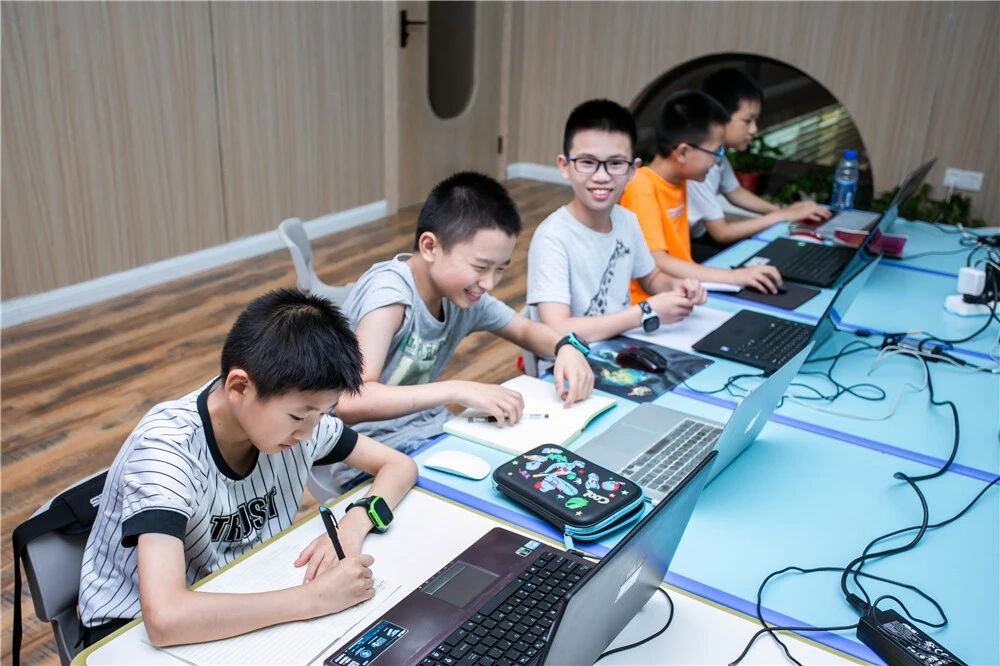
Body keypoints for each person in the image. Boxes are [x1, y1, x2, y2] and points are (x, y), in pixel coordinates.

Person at [78, 289, 418, 647]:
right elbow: (165, 619)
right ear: (239, 386)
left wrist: (352, 527)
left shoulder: (299, 420)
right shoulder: (167, 450)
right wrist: (315, 599)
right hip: (128, 631)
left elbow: (398, 466)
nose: (308, 434)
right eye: (299, 416)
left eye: (322, 414)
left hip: (239, 586)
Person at [331, 172, 594, 485]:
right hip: (364, 454)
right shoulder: (389, 296)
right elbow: (350, 401)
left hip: (428, 431)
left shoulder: (462, 295)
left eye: (500, 269)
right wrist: (457, 389)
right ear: (430, 247)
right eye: (481, 267)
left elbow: (526, 331)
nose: (489, 282)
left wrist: (566, 347)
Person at [526, 98, 706, 343]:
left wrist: (676, 286)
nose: (601, 176)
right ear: (565, 166)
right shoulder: (552, 237)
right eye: (587, 162)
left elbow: (651, 278)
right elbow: (557, 329)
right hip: (570, 358)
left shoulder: (627, 221)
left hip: (620, 346)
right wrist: (645, 312)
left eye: (615, 163)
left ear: (633, 170)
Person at [686, 68, 830, 261]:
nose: (754, 129)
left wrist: (784, 211)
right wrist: (782, 216)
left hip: (699, 236)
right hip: (682, 245)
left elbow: (735, 192)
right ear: (717, 117)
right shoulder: (697, 163)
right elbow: (722, 233)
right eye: (747, 121)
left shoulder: (717, 154)